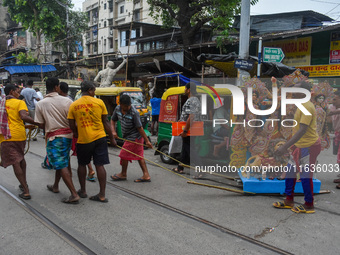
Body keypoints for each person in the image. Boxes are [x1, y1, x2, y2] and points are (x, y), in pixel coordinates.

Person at [273, 81, 321, 213]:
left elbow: (302, 130)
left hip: (309, 146)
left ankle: (309, 204)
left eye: (296, 91)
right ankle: (289, 200)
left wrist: (284, 147)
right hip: (298, 146)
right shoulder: (300, 104)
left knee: (305, 176)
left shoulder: (307, 106)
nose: (292, 93)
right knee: (290, 173)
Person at [68, 81, 116, 202]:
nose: (94, 93)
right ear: (89, 90)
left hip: (84, 140)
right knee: (99, 165)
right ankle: (102, 194)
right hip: (100, 138)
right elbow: (105, 122)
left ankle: (83, 191)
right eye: (94, 90)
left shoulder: (74, 105)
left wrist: (76, 133)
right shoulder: (99, 103)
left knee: (82, 164)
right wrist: (112, 138)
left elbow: (71, 124)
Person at [35, 78, 80, 204]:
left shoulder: (41, 104)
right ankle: (55, 186)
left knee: (61, 164)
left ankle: (74, 194)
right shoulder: (67, 101)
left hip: (54, 137)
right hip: (68, 136)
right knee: (63, 161)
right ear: (56, 87)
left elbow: (40, 124)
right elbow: (74, 121)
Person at [0, 84, 38, 200]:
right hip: (20, 136)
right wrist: (38, 123)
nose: (19, 93)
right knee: (20, 159)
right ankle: (23, 184)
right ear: (12, 91)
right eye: (17, 91)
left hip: (6, 137)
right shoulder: (19, 102)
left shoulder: (1, 104)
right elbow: (22, 117)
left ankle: (26, 191)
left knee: (16, 162)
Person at [110, 95, 153, 182]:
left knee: (123, 155)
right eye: (126, 106)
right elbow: (112, 120)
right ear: (121, 104)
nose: (128, 107)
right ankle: (146, 175)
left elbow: (140, 128)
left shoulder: (134, 112)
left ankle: (123, 174)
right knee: (139, 156)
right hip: (128, 136)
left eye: (129, 105)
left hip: (135, 137)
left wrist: (147, 141)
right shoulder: (117, 109)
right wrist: (113, 131)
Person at [59, 81, 96, 182]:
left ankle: (74, 172)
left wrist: (75, 132)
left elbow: (72, 120)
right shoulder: (71, 100)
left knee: (75, 154)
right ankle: (89, 170)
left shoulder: (71, 102)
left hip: (71, 131)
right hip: (82, 130)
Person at [172, 82, 201, 175]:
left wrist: (185, 130)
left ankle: (200, 170)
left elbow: (191, 116)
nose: (184, 90)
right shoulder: (195, 100)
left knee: (190, 149)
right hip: (191, 128)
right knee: (185, 148)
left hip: (189, 129)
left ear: (189, 90)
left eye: (185, 88)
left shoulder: (192, 100)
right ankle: (180, 167)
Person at [328, 90, 340, 189]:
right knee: (338, 158)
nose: (333, 101)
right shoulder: (332, 107)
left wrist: (334, 112)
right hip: (337, 134)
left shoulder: (335, 109)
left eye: (335, 99)